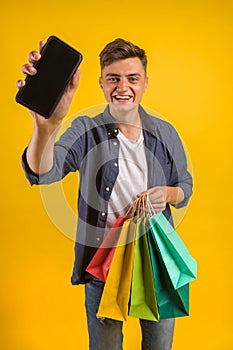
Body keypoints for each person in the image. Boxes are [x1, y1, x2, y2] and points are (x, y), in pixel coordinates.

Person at [17, 38, 193, 350]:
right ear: (101, 83)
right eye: (113, 78)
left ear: (145, 83)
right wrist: (47, 127)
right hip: (103, 268)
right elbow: (44, 172)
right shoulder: (85, 129)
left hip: (156, 265)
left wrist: (166, 193)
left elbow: (186, 187)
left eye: (132, 78)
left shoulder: (165, 132)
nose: (122, 87)